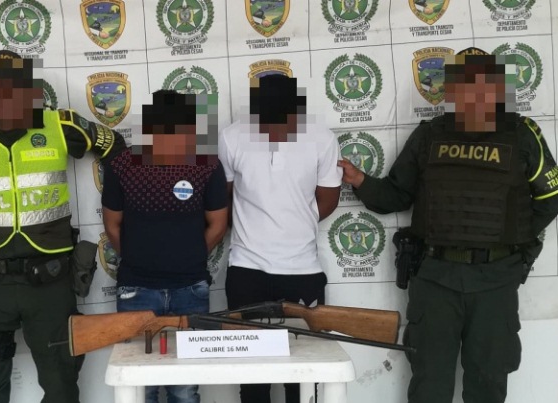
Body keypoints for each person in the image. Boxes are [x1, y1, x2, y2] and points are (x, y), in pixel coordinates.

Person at [338, 47, 558, 403]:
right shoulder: (430, 136)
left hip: (495, 281)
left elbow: (550, 198)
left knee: (488, 386)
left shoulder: (521, 135)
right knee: (429, 387)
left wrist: (512, 237)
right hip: (435, 279)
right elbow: (397, 194)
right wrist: (361, 181)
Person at [0, 50, 126, 403]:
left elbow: (116, 148)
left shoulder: (59, 127)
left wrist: (121, 212)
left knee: (62, 387)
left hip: (49, 284)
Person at [218, 74, 342, 403]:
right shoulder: (232, 137)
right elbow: (223, 199)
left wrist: (295, 222)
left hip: (303, 271)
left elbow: (328, 198)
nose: (272, 128)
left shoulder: (321, 138)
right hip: (247, 270)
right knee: (252, 376)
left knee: (302, 377)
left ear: (296, 112)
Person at [102, 90, 228, 403]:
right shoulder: (122, 165)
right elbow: (112, 225)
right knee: (139, 387)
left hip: (191, 289)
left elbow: (218, 224)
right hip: (136, 289)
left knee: (184, 389)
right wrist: (138, 258)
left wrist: (189, 256)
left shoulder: (206, 164)